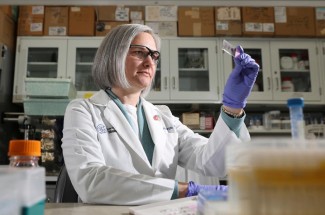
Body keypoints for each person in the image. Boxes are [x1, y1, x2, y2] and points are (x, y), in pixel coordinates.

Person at [61, 24, 259, 205]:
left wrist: (233, 108)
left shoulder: (163, 117)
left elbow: (213, 162)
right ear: (113, 55)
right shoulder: (83, 110)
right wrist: (184, 190)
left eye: (154, 56)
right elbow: (91, 181)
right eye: (140, 52)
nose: (150, 62)